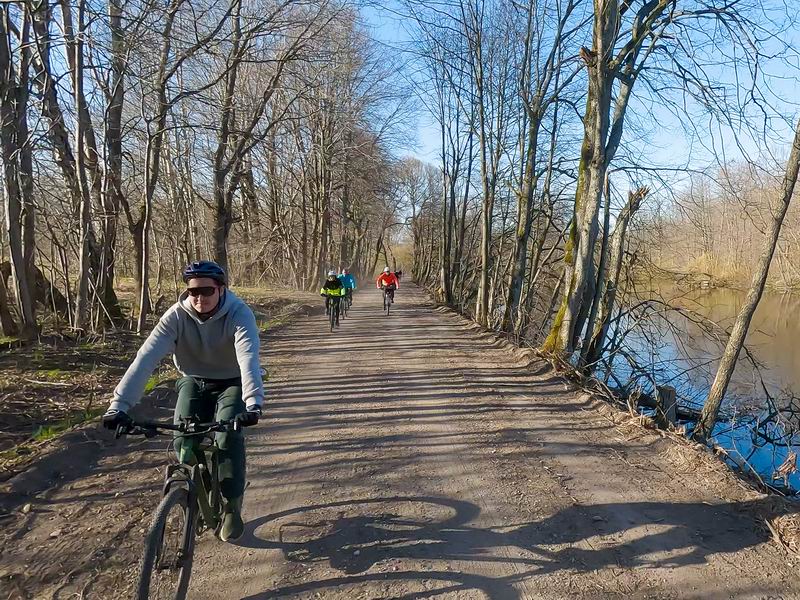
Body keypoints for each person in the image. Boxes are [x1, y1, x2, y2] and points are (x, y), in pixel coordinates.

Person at [101, 260, 263, 542]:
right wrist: (119, 406)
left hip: (233, 381)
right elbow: (145, 360)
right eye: (193, 292)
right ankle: (195, 486)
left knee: (227, 439)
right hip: (194, 378)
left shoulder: (239, 313)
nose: (199, 298)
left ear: (221, 289)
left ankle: (231, 506)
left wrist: (253, 403)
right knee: (182, 444)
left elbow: (248, 359)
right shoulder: (176, 316)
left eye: (206, 291)